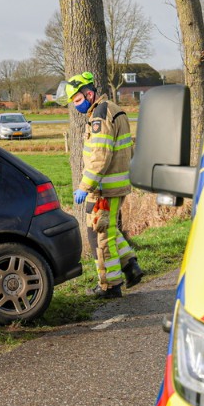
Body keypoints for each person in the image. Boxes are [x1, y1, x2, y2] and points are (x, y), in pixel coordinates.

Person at [63, 71, 144, 299]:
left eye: (78, 100)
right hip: (112, 185)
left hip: (103, 188)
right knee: (108, 230)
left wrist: (85, 187)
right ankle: (130, 265)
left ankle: (110, 286)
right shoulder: (112, 108)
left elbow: (100, 156)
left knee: (102, 236)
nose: (76, 106)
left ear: (89, 94)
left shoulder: (100, 116)